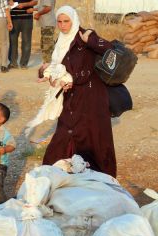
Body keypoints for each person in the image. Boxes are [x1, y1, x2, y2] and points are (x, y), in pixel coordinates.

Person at [38, 6, 117, 177]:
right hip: (71, 97)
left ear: (73, 20)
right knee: (66, 132)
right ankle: (52, 173)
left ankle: (101, 175)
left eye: (66, 21)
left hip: (91, 96)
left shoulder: (85, 35)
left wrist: (91, 41)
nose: (62, 25)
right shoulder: (61, 41)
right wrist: (45, 72)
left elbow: (111, 50)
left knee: (93, 136)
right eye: (59, 21)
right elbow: (58, 68)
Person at [8, 0, 37, 69]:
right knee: (12, 41)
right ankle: (13, 63)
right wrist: (9, 1)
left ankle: (24, 64)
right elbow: (6, 2)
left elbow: (35, 2)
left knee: (26, 41)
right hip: (13, 19)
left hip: (27, 19)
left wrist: (24, 4)